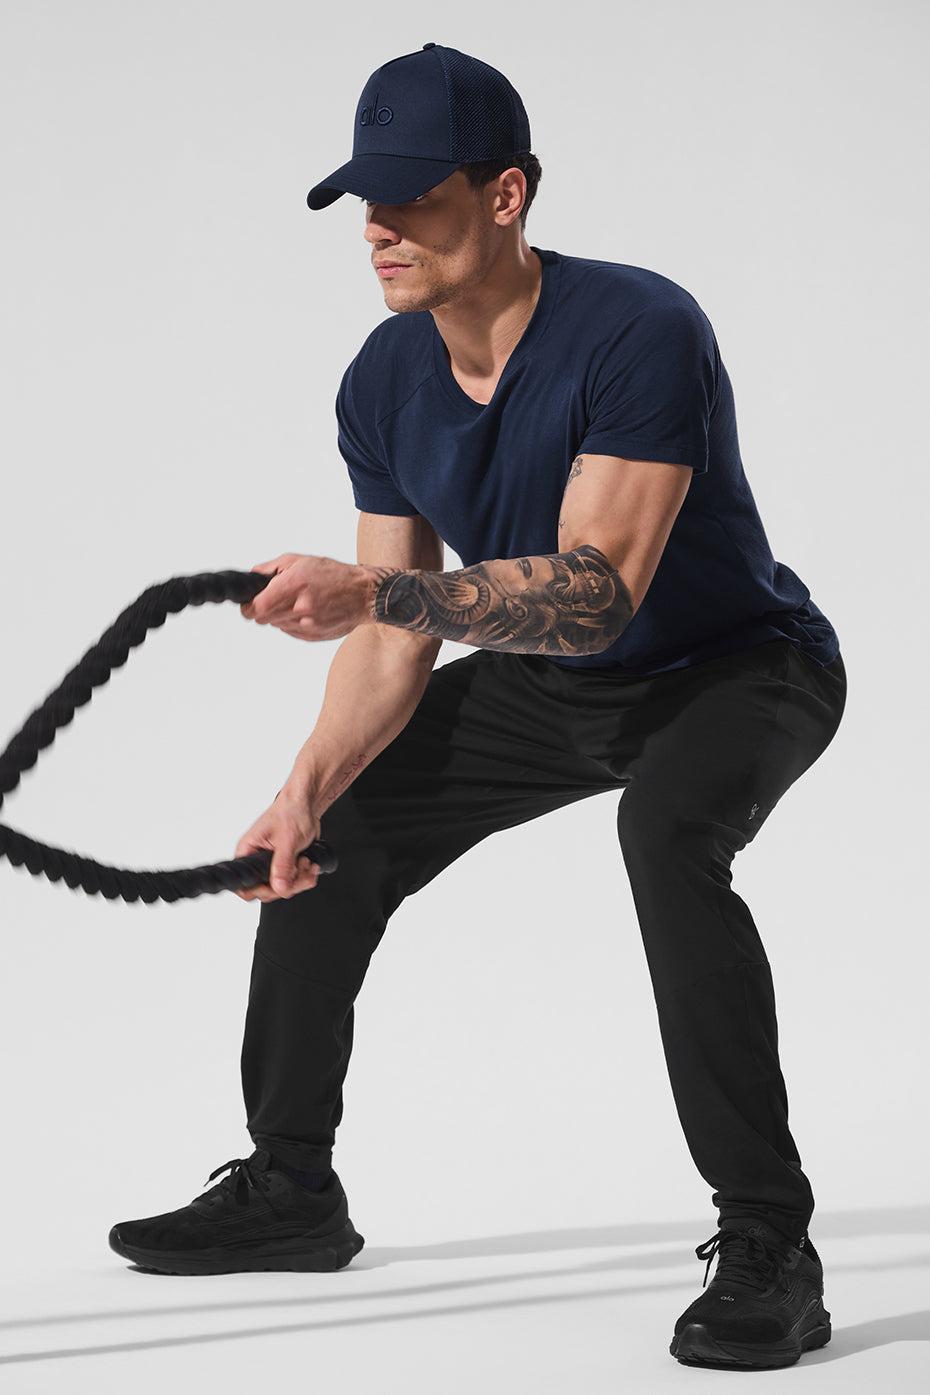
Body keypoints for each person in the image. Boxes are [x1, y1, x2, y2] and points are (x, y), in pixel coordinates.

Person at [108, 43, 846, 1370]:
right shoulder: (382, 378)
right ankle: (290, 1187)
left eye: (413, 198)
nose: (378, 230)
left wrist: (380, 595)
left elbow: (595, 594)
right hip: (555, 686)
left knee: (667, 837)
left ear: (506, 195)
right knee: (332, 840)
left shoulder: (638, 329)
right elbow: (393, 638)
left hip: (735, 667)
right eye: (365, 203)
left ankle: (767, 1242)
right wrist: (302, 790)